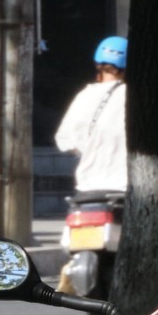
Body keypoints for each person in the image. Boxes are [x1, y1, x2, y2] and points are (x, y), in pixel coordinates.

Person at [54, 32, 128, 195]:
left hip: (88, 188)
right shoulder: (135, 97)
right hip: (126, 188)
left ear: (98, 65)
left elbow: (65, 141)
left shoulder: (84, 96)